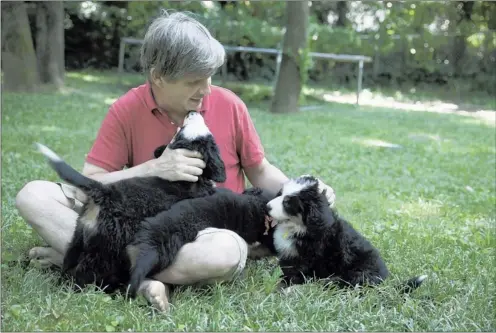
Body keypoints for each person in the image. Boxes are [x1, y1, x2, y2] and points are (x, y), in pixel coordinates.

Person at [15, 10, 335, 311]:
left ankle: (91, 264)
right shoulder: (126, 109)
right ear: (158, 77)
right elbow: (90, 181)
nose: (206, 89)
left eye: (209, 77)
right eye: (194, 80)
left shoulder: (230, 105)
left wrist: (303, 193)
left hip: (208, 232)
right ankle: (134, 276)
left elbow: (260, 169)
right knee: (33, 196)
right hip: (139, 224)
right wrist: (153, 168)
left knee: (224, 254)